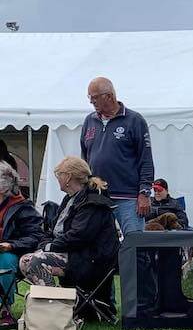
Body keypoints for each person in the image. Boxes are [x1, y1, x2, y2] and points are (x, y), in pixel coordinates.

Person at [19, 157, 118, 293]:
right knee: (28, 260)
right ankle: (56, 301)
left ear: (68, 177)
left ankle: (54, 303)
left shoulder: (93, 203)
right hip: (71, 253)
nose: (57, 179)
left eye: (59, 175)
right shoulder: (70, 199)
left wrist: (49, 247)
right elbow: (51, 230)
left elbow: (79, 235)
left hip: (89, 259)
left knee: (31, 262)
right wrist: (44, 245)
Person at [81, 77, 154, 235]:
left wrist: (144, 193)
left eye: (94, 97)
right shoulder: (89, 121)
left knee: (134, 245)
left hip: (127, 198)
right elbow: (84, 159)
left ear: (109, 96)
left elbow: (146, 160)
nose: (91, 102)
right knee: (97, 247)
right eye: (89, 97)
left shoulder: (134, 120)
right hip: (97, 198)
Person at [0, 162, 44, 327]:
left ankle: (4, 308)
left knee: (4, 259)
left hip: (13, 254)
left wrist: (10, 245)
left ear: (3, 189)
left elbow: (36, 236)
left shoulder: (23, 208)